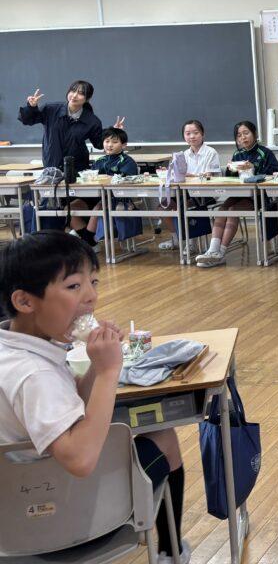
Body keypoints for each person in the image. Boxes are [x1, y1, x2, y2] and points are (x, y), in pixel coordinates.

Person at [0, 232, 189, 564]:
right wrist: (107, 372)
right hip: (56, 516)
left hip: (14, 506)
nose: (91, 296)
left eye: (94, 282)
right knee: (163, 438)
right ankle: (170, 554)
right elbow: (80, 460)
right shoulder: (35, 375)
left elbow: (70, 403)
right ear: (25, 302)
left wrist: (93, 367)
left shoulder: (15, 350)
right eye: (74, 286)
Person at [18, 82, 125, 230]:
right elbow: (27, 120)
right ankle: (64, 237)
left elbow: (99, 143)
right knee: (54, 208)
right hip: (52, 167)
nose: (74, 95)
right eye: (73, 91)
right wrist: (31, 107)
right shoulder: (51, 109)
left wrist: (113, 132)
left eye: (80, 93)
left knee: (73, 207)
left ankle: (81, 236)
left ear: (87, 98)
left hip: (77, 168)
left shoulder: (91, 120)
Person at [195, 121, 278, 268]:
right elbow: (231, 179)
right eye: (239, 135)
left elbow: (276, 173)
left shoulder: (265, 152)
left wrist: (253, 168)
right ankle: (212, 250)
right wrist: (231, 170)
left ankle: (221, 253)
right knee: (222, 210)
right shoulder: (237, 154)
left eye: (246, 133)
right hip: (240, 194)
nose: (243, 137)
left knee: (232, 210)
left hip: (260, 197)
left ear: (255, 134)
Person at [68, 127, 139, 247]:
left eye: (114, 142)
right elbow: (91, 177)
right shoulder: (99, 161)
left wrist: (108, 178)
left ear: (123, 145)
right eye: (107, 141)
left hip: (116, 198)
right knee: (70, 208)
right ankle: (88, 238)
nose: (109, 145)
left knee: (99, 208)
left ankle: (88, 242)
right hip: (94, 196)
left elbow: (127, 181)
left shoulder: (127, 161)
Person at [159, 120, 221, 251]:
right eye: (188, 133)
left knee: (183, 206)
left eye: (195, 133)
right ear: (184, 136)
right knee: (163, 206)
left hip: (207, 193)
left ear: (202, 134)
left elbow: (210, 176)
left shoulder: (211, 152)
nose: (192, 136)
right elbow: (179, 175)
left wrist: (191, 176)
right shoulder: (183, 155)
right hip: (186, 193)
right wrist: (169, 172)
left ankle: (190, 242)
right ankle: (177, 240)